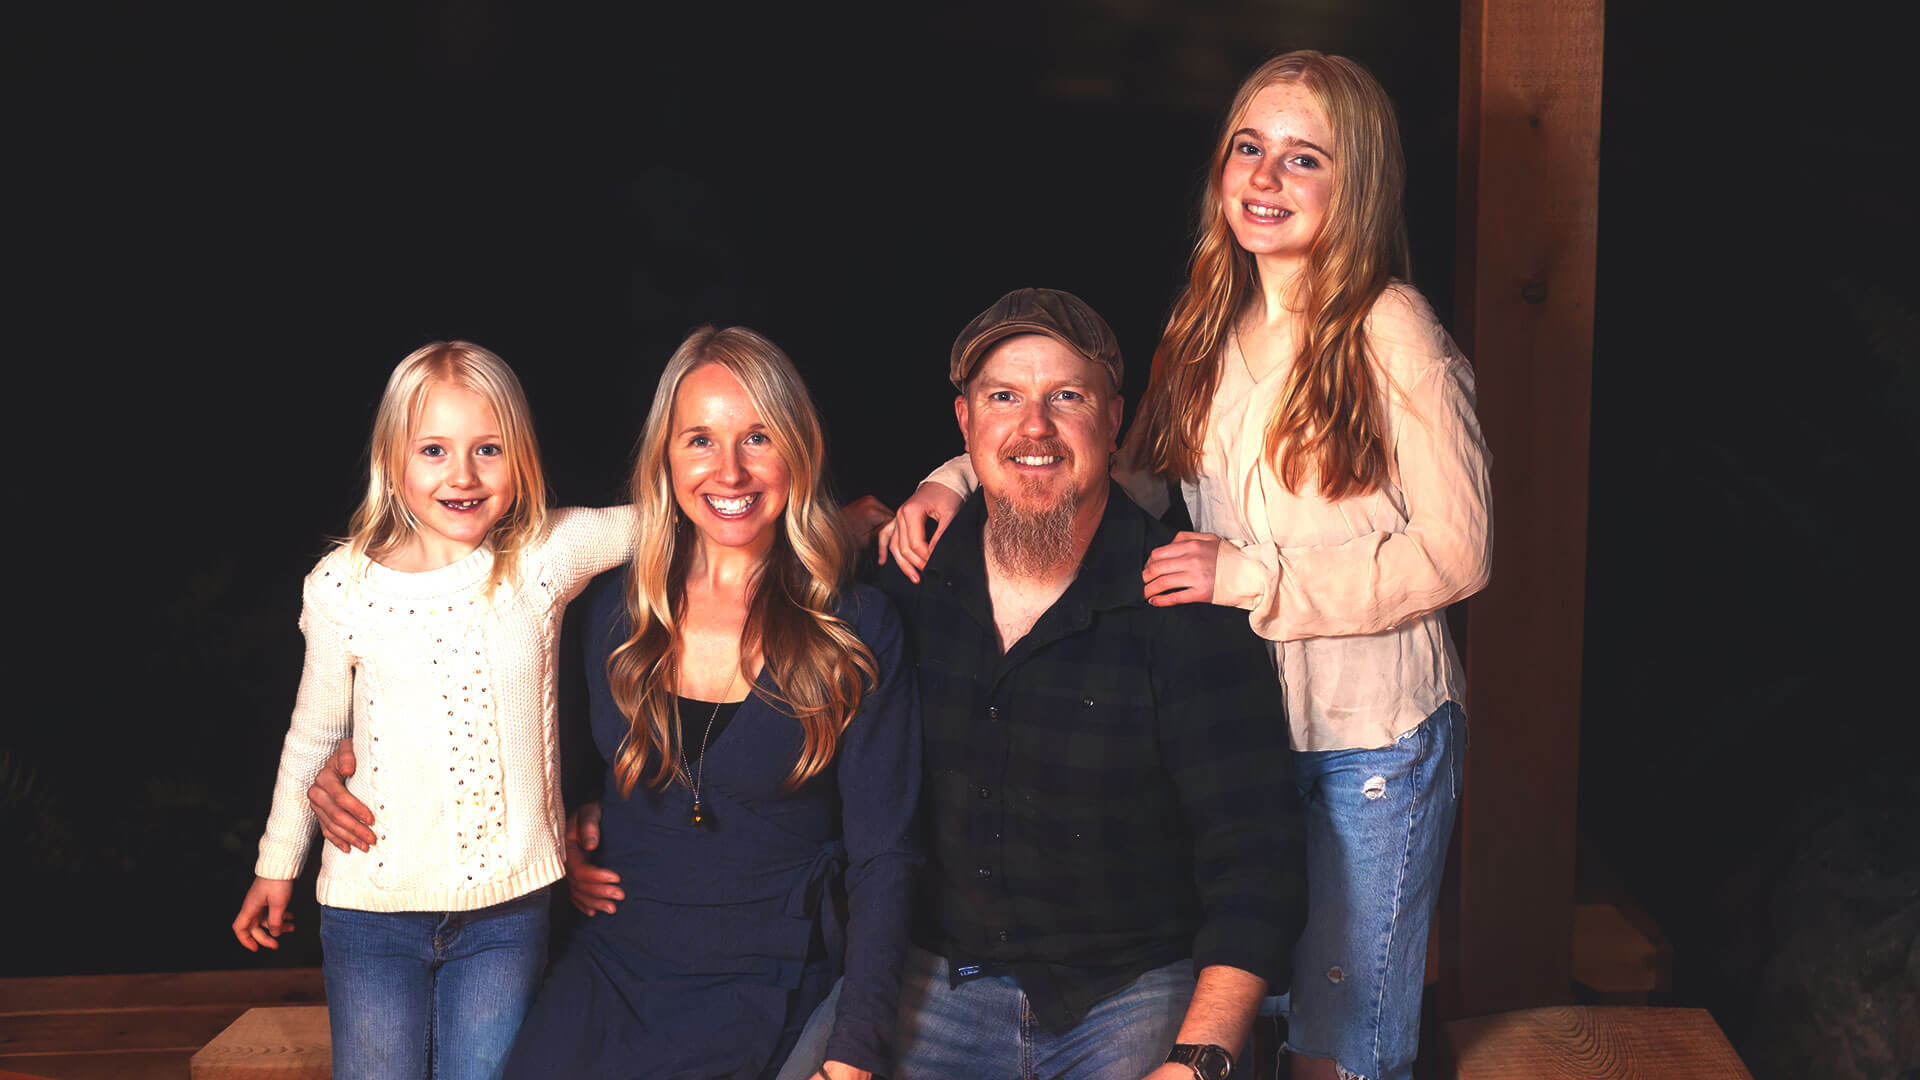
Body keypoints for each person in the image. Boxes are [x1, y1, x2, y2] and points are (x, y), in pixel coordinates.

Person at [883, 54, 1492, 1080]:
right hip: (1249, 726)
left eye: (1304, 159)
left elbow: (1460, 551)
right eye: (1248, 150)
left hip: (1369, 743)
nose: (1264, 178)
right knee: (1243, 998)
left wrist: (1257, 582)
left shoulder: (1391, 330)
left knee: (1339, 1045)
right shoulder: (1211, 329)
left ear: (1362, 183)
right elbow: (1120, 470)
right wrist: (953, 476)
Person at [771, 288, 1304, 1080]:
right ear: (965, 423)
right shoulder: (906, 586)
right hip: (935, 982)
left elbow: (1256, 858)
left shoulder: (1185, 602)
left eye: (1066, 397)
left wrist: (1198, 1061)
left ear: (1115, 420)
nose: (1034, 427)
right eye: (1004, 398)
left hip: (1127, 991)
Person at [231, 341, 640, 1080]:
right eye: (434, 450)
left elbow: (689, 518)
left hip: (507, 913)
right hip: (371, 910)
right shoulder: (342, 586)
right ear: (393, 461)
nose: (463, 475)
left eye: (489, 449)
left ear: (520, 458)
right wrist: (276, 863)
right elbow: (316, 730)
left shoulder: (545, 554)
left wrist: (833, 522)